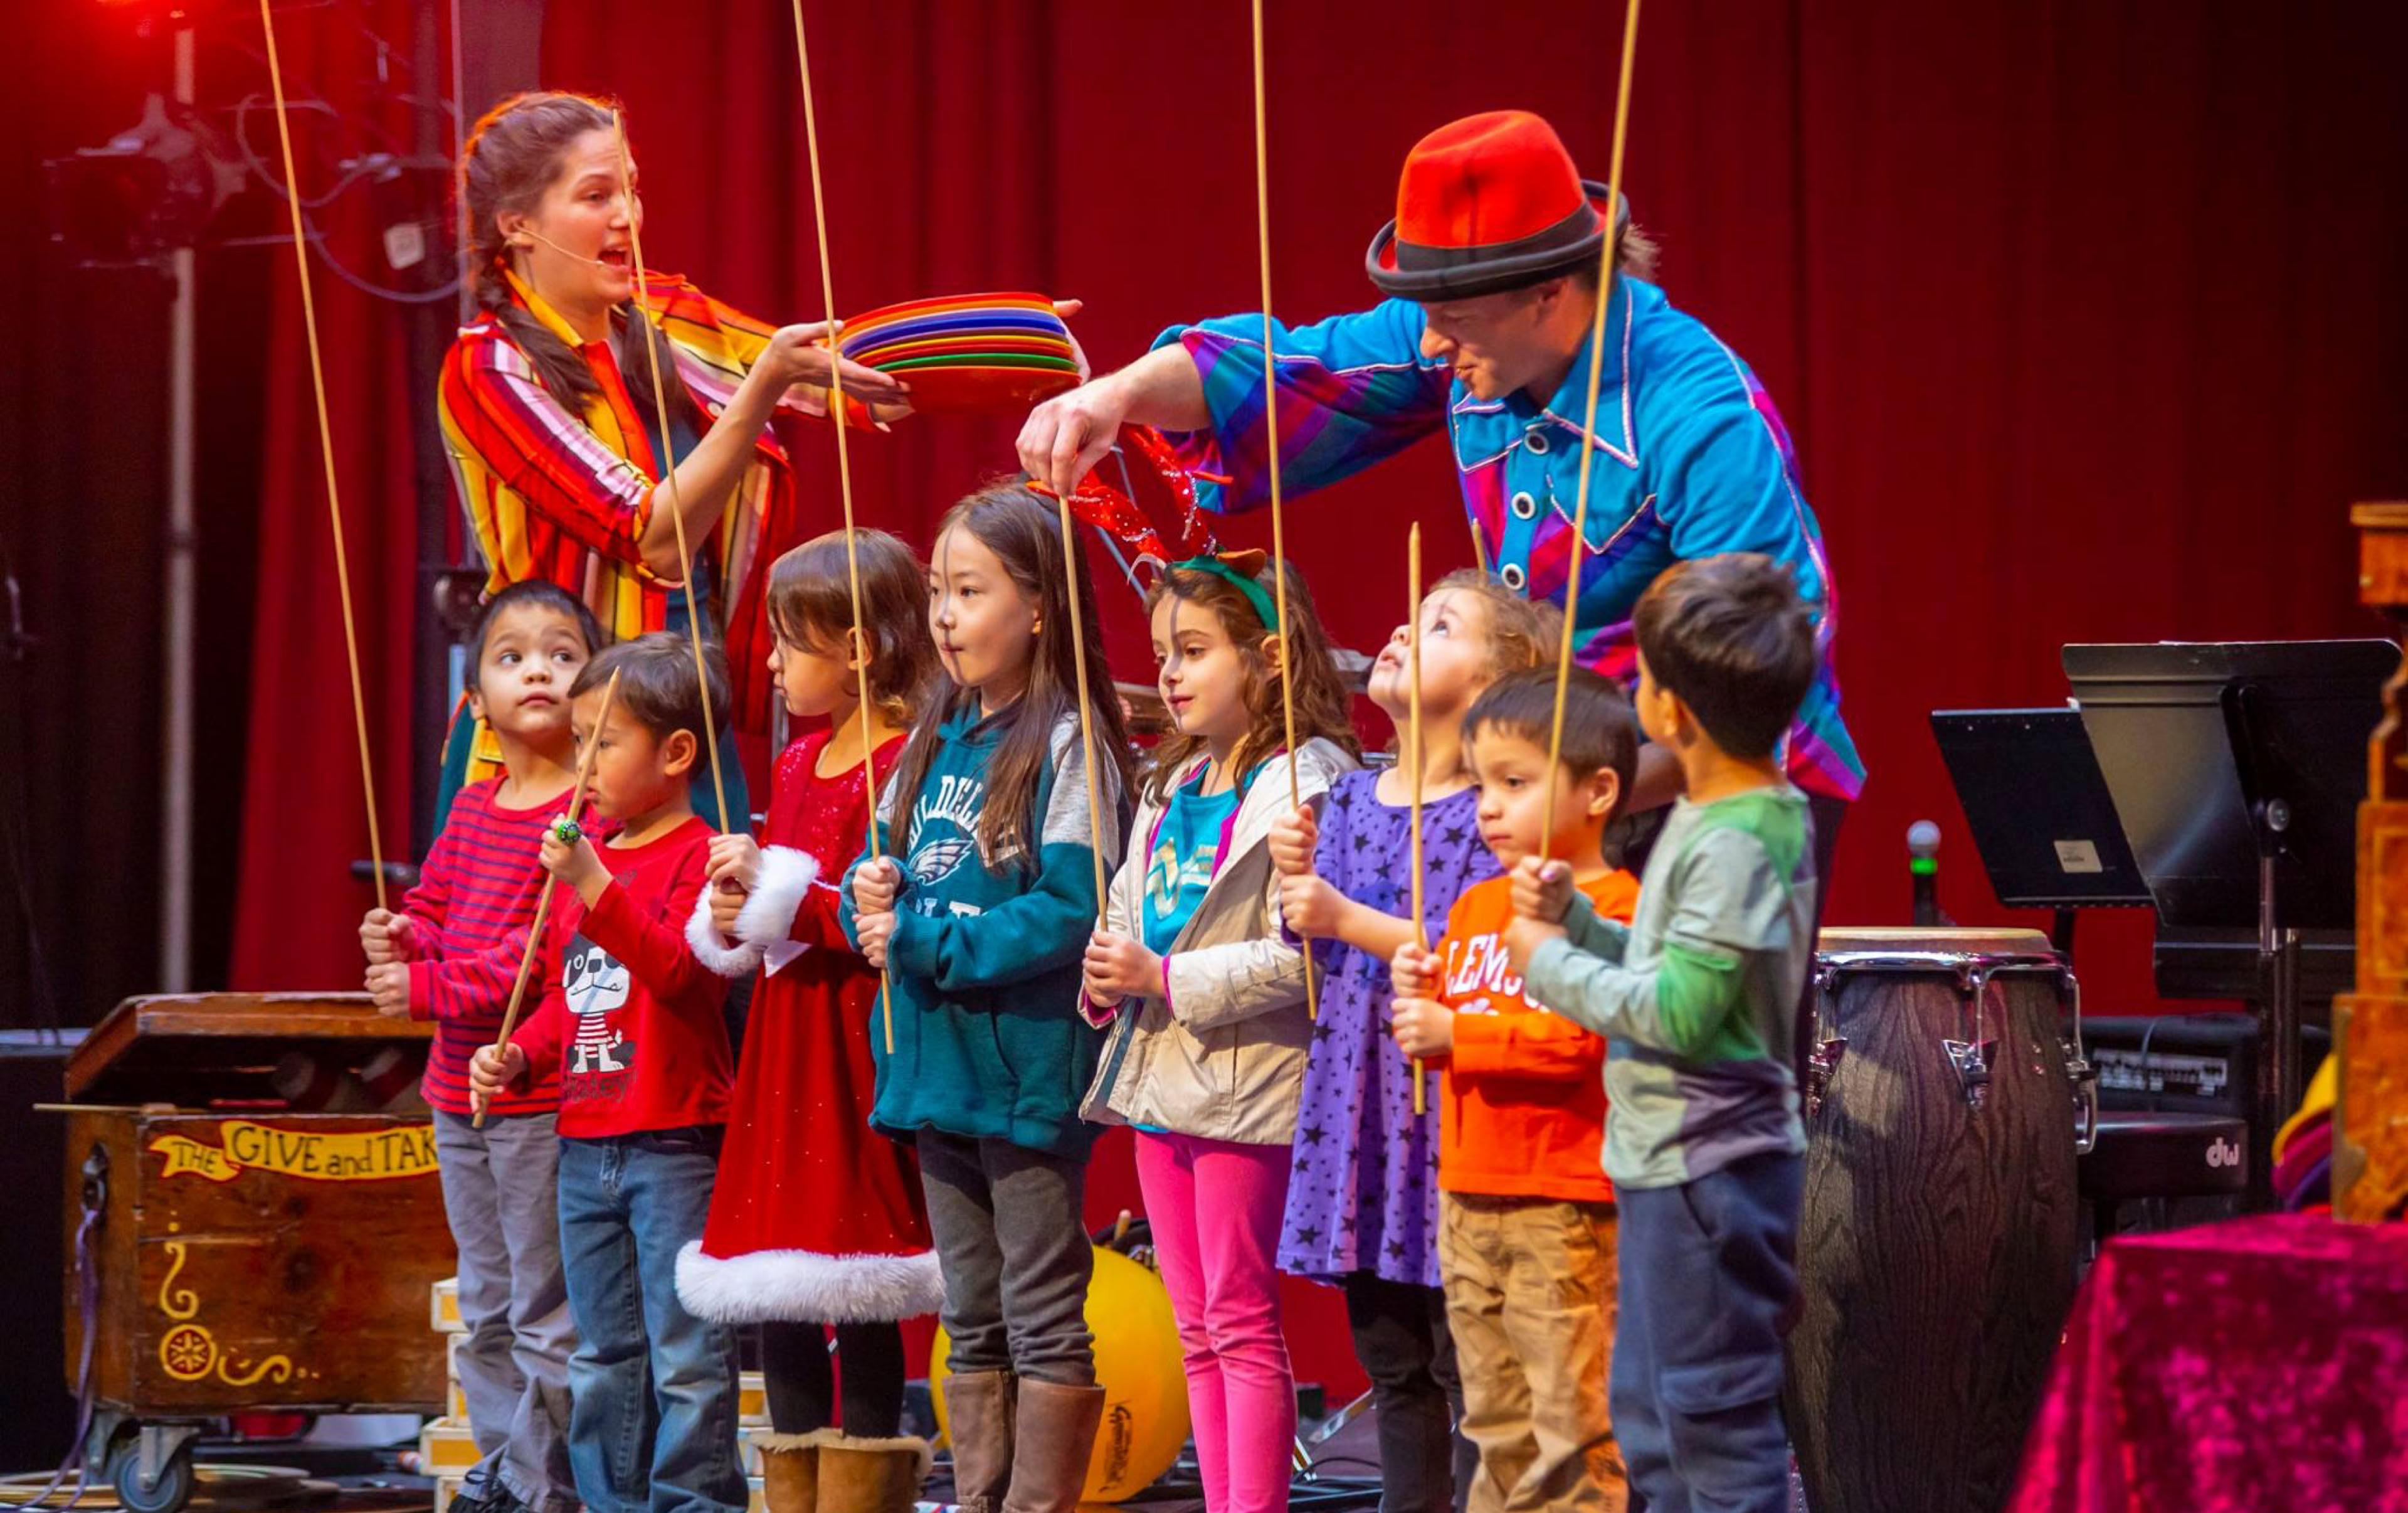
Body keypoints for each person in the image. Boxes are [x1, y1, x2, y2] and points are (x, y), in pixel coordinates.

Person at [1018, 107, 1859, 911]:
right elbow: (1282, 374)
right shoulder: (1473, 337)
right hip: (1561, 785)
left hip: (1718, 787)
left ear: (1550, 294)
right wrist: (1113, 398)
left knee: (1685, 1055)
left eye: (1451, 317)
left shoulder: (1696, 416)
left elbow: (1767, 664)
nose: (1428, 344)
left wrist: (1572, 798)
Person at [437, 89, 909, 827]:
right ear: (517, 226)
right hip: (559, 742)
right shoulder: (488, 370)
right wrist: (763, 387)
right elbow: (649, 533)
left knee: (701, 941)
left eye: (631, 188)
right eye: (597, 195)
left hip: (686, 720)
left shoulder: (665, 315)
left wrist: (1018, 343)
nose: (628, 216)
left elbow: (865, 377)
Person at [1503, 555, 1821, 1513]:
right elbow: (1666, 968)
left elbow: (1679, 1014)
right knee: (1650, 1417)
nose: (1636, 693)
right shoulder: (1713, 814)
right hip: (1668, 1163)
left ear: (1673, 710)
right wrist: (1582, 924)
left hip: (1711, 1170)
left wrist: (1544, 962)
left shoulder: (1736, 840)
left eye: (1642, 678)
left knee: (1711, 1419)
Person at [841, 484, 1132, 1513]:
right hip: (935, 1069)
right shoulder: (933, 733)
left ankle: (1034, 1503)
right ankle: (982, 1497)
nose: (946, 616)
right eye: (937, 592)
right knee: (969, 1310)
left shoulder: (1067, 743)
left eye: (970, 590)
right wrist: (861, 897)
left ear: (1042, 605)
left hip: (1023, 1073)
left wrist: (924, 936)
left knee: (1042, 1307)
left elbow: (1068, 909)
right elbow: (880, 873)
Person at [1265, 570, 1560, 1513]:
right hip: (1361, 1115)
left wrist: (1342, 915)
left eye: (1439, 624)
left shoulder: (1490, 810)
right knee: (1392, 1358)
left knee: (1465, 1357)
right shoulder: (1348, 798)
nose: (1401, 628)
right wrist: (1296, 894)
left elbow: (1478, 947)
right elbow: (1311, 944)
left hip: (1450, 1112)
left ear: (1494, 681)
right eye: (1410, 614)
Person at [1078, 552, 1361, 1513]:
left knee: (1239, 1319)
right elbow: (1130, 905)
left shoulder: (1307, 785)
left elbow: (1311, 957)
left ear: (1269, 657)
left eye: (1194, 651)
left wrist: (1162, 976)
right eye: (1164, 652)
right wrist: (1107, 973)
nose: (1170, 673)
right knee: (1194, 1322)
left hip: (1248, 1082)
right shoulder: (1173, 782)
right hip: (1162, 1077)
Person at [680, 529, 944, 1513]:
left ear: (859, 649)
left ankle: (867, 1485)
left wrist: (783, 897)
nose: (774, 665)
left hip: (852, 1044)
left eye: (792, 644)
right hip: (783, 1041)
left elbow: (878, 914)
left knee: (858, 1279)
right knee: (778, 1283)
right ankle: (790, 1487)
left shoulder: (908, 759)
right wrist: (733, 911)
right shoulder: (794, 761)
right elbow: (779, 910)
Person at [470, 633, 746, 1513]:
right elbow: (567, 996)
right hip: (585, 1143)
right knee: (602, 1355)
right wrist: (520, 1054)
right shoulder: (584, 863)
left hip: (672, 1144)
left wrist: (597, 884)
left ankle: (693, 1504)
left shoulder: (704, 857)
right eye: (577, 738)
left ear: (674, 753)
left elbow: (678, 972)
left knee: (688, 1356)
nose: (581, 763)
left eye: (603, 742)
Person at [361, 580, 600, 1513]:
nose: (537, 667)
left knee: (546, 1311)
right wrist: (401, 937)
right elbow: (438, 915)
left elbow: (538, 958)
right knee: (488, 1304)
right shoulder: (472, 810)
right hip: (455, 1100)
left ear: (594, 689)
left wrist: (422, 987)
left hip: (537, 1101)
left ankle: (549, 1490)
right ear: (478, 702)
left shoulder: (581, 820)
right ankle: (505, 1471)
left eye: (560, 653)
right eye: (511, 656)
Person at [1390, 669, 1641, 1513]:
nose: (1487, 807)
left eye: (1515, 783)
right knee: (1494, 1424)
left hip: (1564, 1207)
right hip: (1469, 1194)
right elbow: (1449, 1045)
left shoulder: (1615, 908)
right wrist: (1421, 1009)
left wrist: (1458, 1034)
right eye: (1479, 783)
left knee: (1568, 1429)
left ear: (1599, 790)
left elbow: (1577, 1041)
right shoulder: (1471, 908)